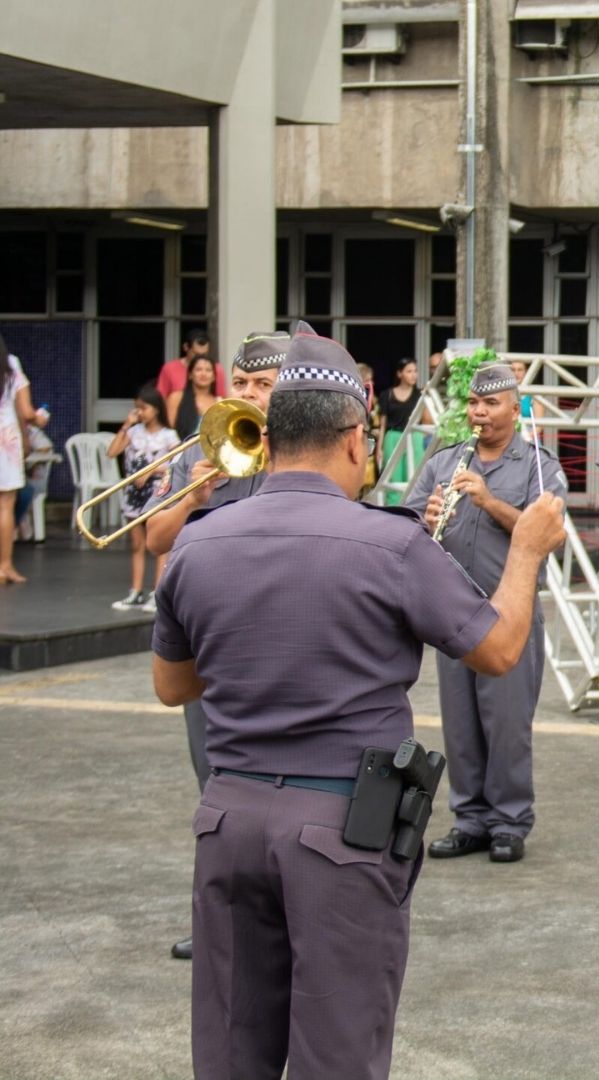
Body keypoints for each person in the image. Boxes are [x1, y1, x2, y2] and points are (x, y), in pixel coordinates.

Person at [150, 325, 566, 1079]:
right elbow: (500, 650)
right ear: (352, 439)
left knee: (230, 1051)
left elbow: (172, 686)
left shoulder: (200, 542)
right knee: (337, 1054)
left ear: (269, 438)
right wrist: (530, 549)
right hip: (340, 827)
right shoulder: (390, 544)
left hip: (230, 820)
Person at [145, 329, 291, 961]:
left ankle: (287, 918)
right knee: (216, 790)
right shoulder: (200, 449)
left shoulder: (298, 451)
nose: (251, 394)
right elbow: (155, 540)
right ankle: (221, 923)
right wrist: (193, 496)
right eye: (246, 384)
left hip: (278, 643)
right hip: (207, 643)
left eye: (264, 384)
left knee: (284, 791)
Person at [408, 363, 567, 864]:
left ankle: (509, 821)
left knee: (506, 724)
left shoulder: (538, 464)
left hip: (509, 614)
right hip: (453, 610)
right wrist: (426, 515)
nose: (479, 413)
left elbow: (549, 535)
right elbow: (409, 521)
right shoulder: (444, 460)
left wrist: (490, 500)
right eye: (474, 404)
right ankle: (469, 818)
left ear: (514, 408)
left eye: (491, 404)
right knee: (460, 723)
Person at [107, 383, 180, 612]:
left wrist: (151, 470)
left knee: (158, 543)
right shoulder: (133, 432)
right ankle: (135, 591)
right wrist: (127, 425)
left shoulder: (169, 435)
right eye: (137, 408)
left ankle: (156, 591)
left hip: (157, 492)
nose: (140, 412)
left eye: (144, 408)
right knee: (137, 544)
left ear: (156, 409)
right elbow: (112, 452)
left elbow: (177, 463)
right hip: (134, 494)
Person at [1, 336, 51, 584]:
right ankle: (5, 566)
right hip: (5, 440)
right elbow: (26, 412)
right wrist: (40, 418)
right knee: (5, 505)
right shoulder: (10, 364)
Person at [378, 357, 430, 506]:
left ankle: (414, 510)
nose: (414, 374)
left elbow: (427, 420)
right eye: (409, 371)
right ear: (400, 374)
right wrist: (379, 448)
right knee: (393, 477)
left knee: (415, 476)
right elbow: (383, 424)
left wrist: (428, 396)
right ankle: (394, 512)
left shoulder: (420, 395)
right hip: (393, 436)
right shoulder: (387, 394)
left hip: (414, 436)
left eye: (415, 371)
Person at [156, 328, 227, 401]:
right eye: (196, 354)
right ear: (186, 347)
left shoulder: (216, 369)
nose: (200, 358)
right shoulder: (169, 369)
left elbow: (221, 400)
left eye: (204, 355)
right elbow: (160, 400)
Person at [167, 353, 220, 440]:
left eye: (208, 370)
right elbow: (169, 433)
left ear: (214, 377)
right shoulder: (176, 397)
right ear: (190, 375)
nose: (203, 374)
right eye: (198, 370)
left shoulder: (219, 402)